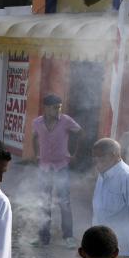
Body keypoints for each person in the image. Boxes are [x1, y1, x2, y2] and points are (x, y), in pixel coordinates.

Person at [31, 94, 81, 248]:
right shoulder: (37, 122)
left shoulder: (66, 120)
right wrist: (36, 155)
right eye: (54, 107)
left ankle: (69, 236)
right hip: (44, 167)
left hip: (61, 166)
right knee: (44, 202)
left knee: (64, 202)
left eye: (59, 107)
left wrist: (74, 153)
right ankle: (43, 237)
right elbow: (34, 137)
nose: (58, 110)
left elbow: (79, 132)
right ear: (45, 108)